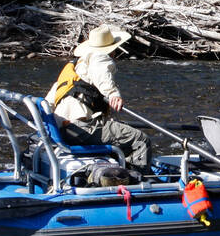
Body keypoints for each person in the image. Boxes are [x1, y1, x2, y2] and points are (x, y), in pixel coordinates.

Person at [44, 24, 152, 168]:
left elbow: (47, 103)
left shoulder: (76, 68)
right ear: (112, 49)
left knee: (121, 133)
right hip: (81, 128)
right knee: (140, 139)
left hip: (61, 130)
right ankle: (139, 179)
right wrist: (113, 94)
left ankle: (118, 172)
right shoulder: (100, 57)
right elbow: (102, 74)